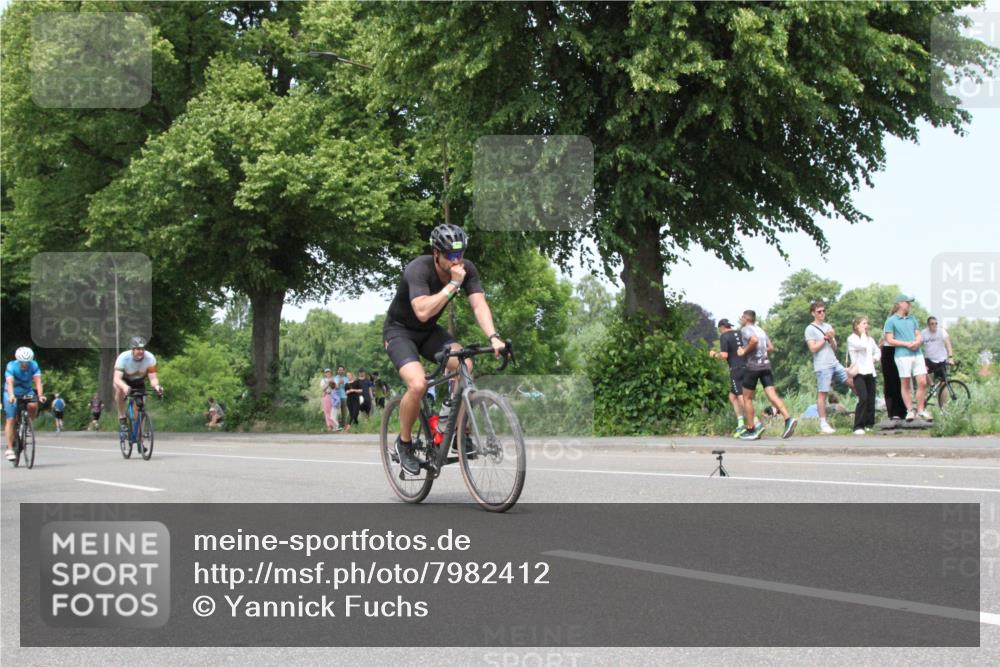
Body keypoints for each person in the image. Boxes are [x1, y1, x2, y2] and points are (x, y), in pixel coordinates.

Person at [383, 224, 505, 474]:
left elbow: (479, 305)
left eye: (460, 254)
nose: (456, 260)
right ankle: (403, 444)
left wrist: (493, 336)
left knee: (465, 364)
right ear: (435, 253)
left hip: (428, 332)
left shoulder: (466, 269)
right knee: (418, 385)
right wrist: (453, 284)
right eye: (450, 255)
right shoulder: (418, 268)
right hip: (400, 332)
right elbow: (423, 311)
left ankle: (457, 430)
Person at [735, 310, 797, 440]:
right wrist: (760, 352)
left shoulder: (745, 329)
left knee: (747, 398)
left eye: (742, 317)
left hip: (753, 367)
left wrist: (744, 351)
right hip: (766, 366)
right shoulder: (761, 330)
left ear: (746, 318)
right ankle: (788, 419)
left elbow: (754, 340)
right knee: (772, 395)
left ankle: (752, 429)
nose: (741, 319)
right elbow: (770, 347)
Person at [805, 301, 852, 435]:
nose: (822, 313)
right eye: (819, 311)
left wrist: (831, 339)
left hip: (834, 362)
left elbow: (835, 347)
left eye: (823, 311)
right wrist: (825, 338)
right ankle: (823, 423)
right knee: (823, 393)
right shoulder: (810, 329)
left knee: (852, 382)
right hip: (822, 365)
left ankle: (863, 413)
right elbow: (813, 348)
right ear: (813, 313)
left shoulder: (828, 326)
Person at [883, 294, 932, 421]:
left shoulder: (912, 319)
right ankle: (910, 410)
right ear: (900, 303)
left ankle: (921, 410)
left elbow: (918, 334)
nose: (909, 304)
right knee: (905, 383)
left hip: (917, 353)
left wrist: (917, 342)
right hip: (902, 355)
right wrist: (906, 344)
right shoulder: (891, 321)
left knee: (922, 382)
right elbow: (889, 339)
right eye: (907, 302)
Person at [708, 318, 751, 437]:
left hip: (736, 370)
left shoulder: (724, 336)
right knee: (732, 397)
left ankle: (755, 422)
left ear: (722, 327)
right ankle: (741, 424)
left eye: (719, 329)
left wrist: (714, 355)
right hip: (747, 367)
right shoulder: (740, 333)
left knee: (741, 396)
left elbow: (724, 355)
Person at [113, 336, 164, 432]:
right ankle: (122, 416)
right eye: (138, 349)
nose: (141, 351)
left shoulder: (150, 358)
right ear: (132, 349)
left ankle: (140, 435)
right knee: (120, 390)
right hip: (124, 381)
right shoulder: (123, 357)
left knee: (139, 408)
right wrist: (124, 387)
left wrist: (157, 386)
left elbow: (153, 378)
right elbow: (116, 378)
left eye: (142, 349)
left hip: (138, 382)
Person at [4, 347, 46, 461]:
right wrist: (11, 396)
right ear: (18, 360)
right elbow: (9, 383)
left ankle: (27, 424)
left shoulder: (34, 365)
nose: (25, 365)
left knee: (33, 404)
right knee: (11, 419)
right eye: (22, 363)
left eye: (27, 363)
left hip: (27, 391)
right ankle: (9, 449)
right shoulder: (11, 366)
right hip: (12, 393)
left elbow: (38, 381)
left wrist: (40, 395)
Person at [847, 317, 880, 435]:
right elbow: (862, 346)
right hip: (859, 372)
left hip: (870, 371)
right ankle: (858, 425)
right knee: (863, 398)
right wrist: (862, 334)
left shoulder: (870, 339)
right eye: (864, 323)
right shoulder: (852, 339)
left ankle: (869, 423)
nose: (866, 325)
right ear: (857, 326)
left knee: (871, 399)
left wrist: (875, 358)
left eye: (867, 323)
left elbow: (877, 350)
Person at [879, 303, 906, 420]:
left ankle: (903, 410)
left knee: (902, 382)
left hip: (901, 351)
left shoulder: (906, 321)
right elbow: (889, 339)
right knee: (891, 382)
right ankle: (893, 411)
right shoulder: (890, 321)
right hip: (889, 351)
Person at [921, 316, 954, 384]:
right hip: (929, 359)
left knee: (943, 383)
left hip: (940, 360)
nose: (934, 325)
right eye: (932, 324)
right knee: (922, 373)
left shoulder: (942, 331)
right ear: (928, 325)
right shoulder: (923, 333)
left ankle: (939, 392)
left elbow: (948, 344)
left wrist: (950, 357)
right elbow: (918, 345)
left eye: (936, 323)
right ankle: (932, 385)